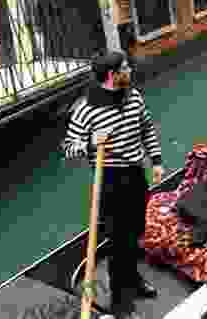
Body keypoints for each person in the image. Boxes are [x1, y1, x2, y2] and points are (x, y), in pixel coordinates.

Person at [62, 50, 164, 319]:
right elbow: (69, 149)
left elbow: (147, 129)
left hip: (135, 174)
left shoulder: (134, 97)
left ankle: (133, 279)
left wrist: (156, 161)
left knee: (135, 233)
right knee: (119, 241)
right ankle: (120, 301)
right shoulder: (86, 109)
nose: (130, 70)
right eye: (125, 67)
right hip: (108, 180)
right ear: (112, 75)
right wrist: (91, 143)